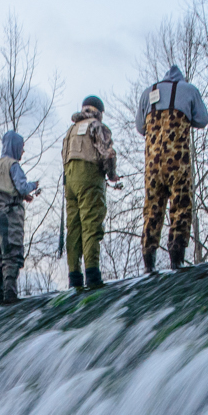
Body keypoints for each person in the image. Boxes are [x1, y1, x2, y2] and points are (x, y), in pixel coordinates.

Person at [136, 65, 208, 273]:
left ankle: (148, 261)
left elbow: (139, 127)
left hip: (152, 164)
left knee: (152, 209)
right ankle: (176, 258)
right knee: (181, 206)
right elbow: (203, 119)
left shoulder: (147, 93)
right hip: (178, 161)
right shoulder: (189, 90)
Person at [62, 96, 121, 289]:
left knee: (73, 228)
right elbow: (108, 154)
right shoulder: (97, 126)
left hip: (69, 181)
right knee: (91, 224)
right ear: (99, 111)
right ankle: (93, 275)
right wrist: (111, 175)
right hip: (89, 178)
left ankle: (74, 277)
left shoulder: (70, 130)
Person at [0, 132, 38, 304]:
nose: (22, 152)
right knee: (11, 254)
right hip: (8, 217)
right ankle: (10, 295)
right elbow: (22, 187)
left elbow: (2, 190)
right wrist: (33, 186)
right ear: (15, 147)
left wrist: (21, 196)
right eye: (21, 148)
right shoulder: (13, 165)